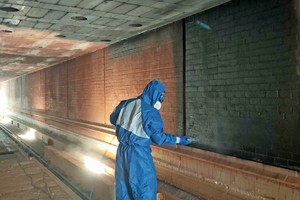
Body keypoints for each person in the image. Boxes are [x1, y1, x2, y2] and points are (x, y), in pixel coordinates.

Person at [110, 80, 190, 200]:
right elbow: (159, 138)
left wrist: (128, 128)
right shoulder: (151, 112)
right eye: (161, 97)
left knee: (124, 189)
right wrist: (178, 140)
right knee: (144, 189)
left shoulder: (126, 103)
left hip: (121, 152)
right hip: (139, 155)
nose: (160, 101)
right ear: (155, 94)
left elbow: (113, 120)